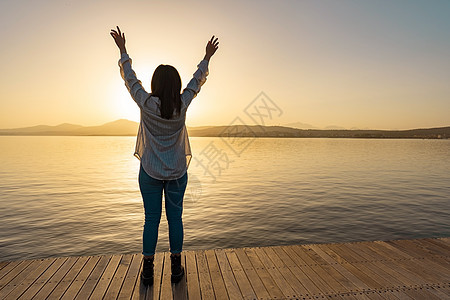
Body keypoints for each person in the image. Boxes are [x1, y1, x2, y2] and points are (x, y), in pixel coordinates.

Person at [110, 26, 219, 285]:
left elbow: (130, 79)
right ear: (176, 85)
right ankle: (176, 269)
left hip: (149, 172)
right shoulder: (182, 105)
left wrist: (123, 50)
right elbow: (197, 82)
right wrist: (207, 57)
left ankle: (148, 270)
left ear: (155, 84)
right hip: (177, 174)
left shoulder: (146, 104)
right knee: (175, 220)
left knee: (151, 220)